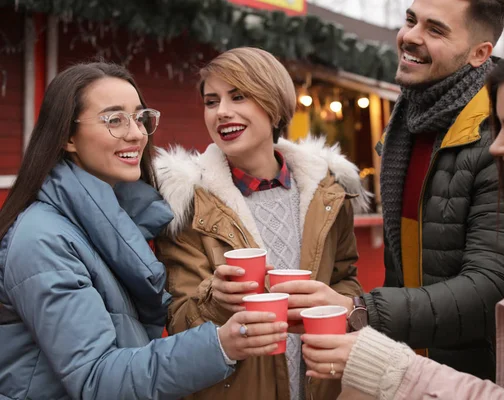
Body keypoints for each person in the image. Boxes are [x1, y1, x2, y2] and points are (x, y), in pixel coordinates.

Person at [302, 31, 504, 399]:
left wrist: (368, 328)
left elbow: (492, 288)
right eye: (411, 19)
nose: (497, 145)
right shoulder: (408, 131)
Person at [0, 62, 288, 400]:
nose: (137, 133)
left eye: (139, 118)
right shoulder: (43, 241)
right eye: (114, 120)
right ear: (67, 137)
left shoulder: (118, 223)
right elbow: (96, 379)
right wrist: (220, 346)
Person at [154, 47, 368, 400]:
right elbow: (178, 321)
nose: (222, 111)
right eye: (211, 101)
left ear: (274, 103)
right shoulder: (186, 205)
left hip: (321, 387)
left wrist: (334, 304)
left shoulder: (328, 193)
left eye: (238, 96)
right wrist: (217, 299)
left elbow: (344, 277)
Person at [347, 0, 504, 379]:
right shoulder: (408, 122)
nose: (410, 37)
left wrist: (364, 311)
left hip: (480, 378)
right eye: (410, 20)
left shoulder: (499, 136)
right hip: (410, 370)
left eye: (435, 30)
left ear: (480, 53)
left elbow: (493, 287)